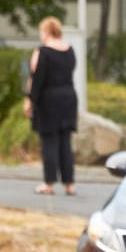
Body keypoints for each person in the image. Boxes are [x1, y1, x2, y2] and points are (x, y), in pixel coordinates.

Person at [24, 16, 78, 196]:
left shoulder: (43, 52)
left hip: (49, 101)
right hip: (68, 98)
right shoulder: (69, 50)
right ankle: (69, 184)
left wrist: (30, 100)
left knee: (49, 142)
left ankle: (49, 183)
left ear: (46, 32)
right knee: (65, 142)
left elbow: (37, 79)